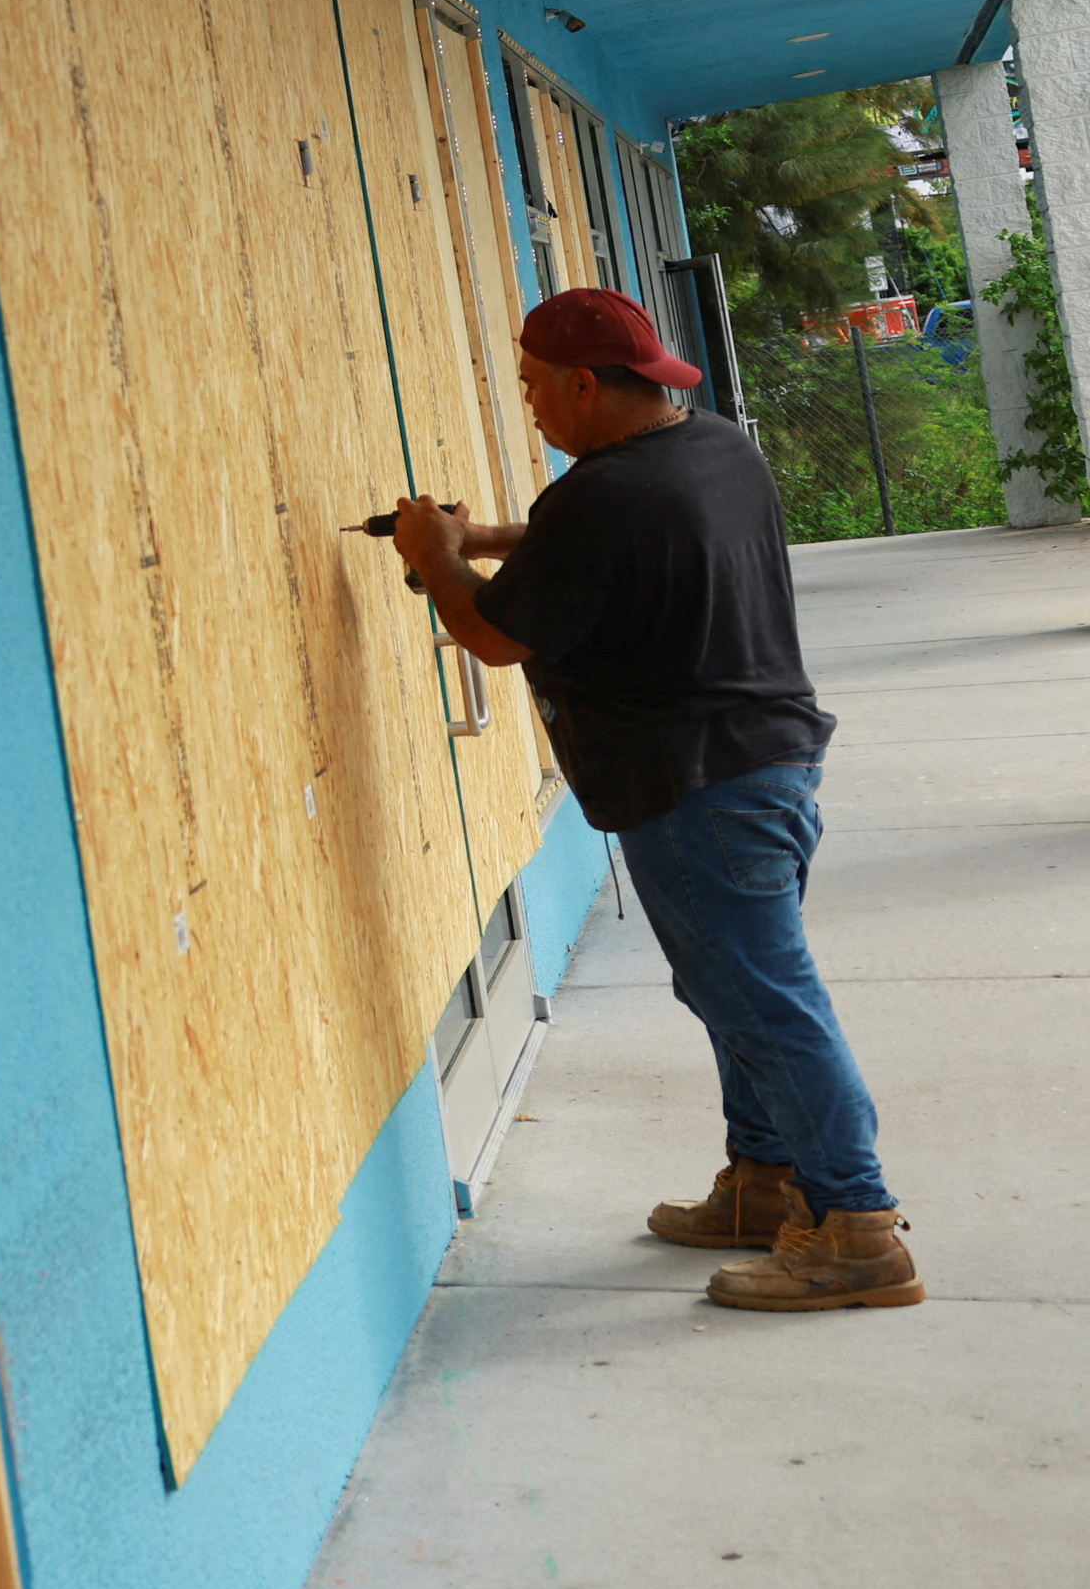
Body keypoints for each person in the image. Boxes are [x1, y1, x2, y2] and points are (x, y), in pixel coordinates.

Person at [391, 286, 918, 1313]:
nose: (530, 403)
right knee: (736, 989)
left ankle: (858, 1228)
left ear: (587, 384)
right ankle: (764, 1183)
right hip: (765, 765)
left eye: (535, 386)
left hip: (697, 787)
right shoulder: (713, 447)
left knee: (764, 999)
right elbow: (598, 552)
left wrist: (437, 557)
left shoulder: (598, 497)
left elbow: (494, 635)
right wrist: (483, 537)